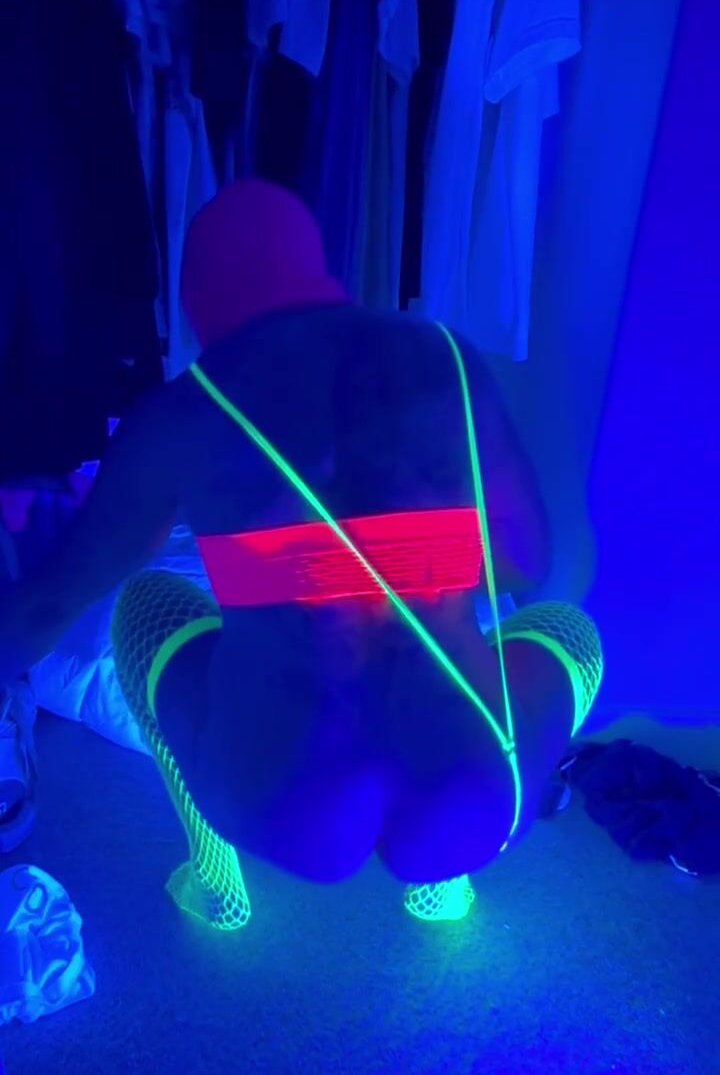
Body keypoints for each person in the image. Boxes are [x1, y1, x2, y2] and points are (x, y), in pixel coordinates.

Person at [0, 179, 602, 929]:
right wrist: (402, 568)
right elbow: (527, 559)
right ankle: (444, 884)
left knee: (144, 603)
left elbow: (52, 602)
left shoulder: (183, 412)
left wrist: (284, 579)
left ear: (199, 301)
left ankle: (218, 883)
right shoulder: (448, 358)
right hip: (477, 796)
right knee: (570, 630)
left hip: (280, 802)